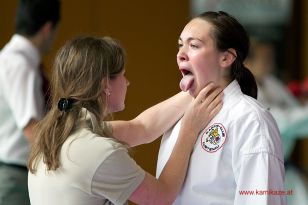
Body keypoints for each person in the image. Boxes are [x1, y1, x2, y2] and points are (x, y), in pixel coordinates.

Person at [27, 36, 223, 205]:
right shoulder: (96, 150)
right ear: (106, 85)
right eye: (123, 75)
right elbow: (162, 196)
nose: (127, 82)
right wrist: (189, 129)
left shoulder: (62, 133)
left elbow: (142, 128)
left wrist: (197, 89)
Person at [156, 11, 286, 205]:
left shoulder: (251, 119)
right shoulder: (176, 118)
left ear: (226, 58)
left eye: (193, 45)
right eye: (180, 45)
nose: (180, 54)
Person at [0, 0, 60, 204]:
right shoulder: (20, 65)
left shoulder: (12, 60)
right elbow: (32, 128)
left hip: (14, 174)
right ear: (47, 28)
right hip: (15, 177)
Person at [245, 37, 308, 205]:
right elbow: (283, 121)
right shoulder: (243, 89)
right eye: (265, 58)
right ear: (247, 61)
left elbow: (296, 110)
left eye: (271, 57)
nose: (270, 63)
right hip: (260, 174)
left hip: (283, 169)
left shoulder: (271, 83)